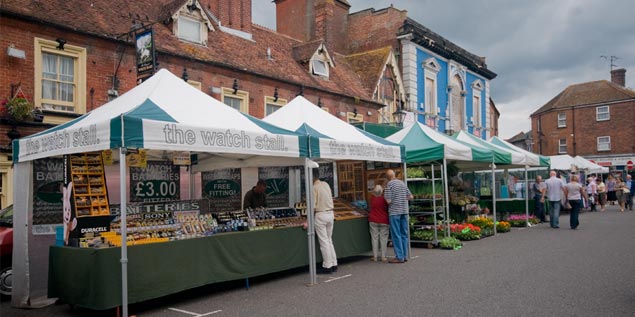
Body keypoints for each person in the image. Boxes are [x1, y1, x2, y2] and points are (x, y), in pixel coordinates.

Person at [384, 169, 413, 263]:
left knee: (396, 235)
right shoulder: (402, 183)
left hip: (394, 212)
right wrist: (402, 200)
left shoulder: (389, 185)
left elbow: (388, 201)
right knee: (404, 234)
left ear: (387, 177)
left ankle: (399, 257)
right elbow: (410, 196)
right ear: (394, 175)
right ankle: (404, 256)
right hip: (404, 211)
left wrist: (393, 200)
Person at [312, 168, 337, 274]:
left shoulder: (314, 187)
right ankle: (334, 263)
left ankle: (327, 266)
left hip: (321, 214)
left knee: (324, 242)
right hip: (330, 213)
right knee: (329, 240)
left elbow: (312, 206)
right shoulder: (326, 184)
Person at [368, 185, 389, 262]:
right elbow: (387, 208)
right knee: (383, 238)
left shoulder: (372, 199)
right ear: (382, 192)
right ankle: (383, 256)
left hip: (373, 219)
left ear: (374, 192)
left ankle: (375, 256)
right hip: (384, 220)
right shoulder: (384, 199)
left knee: (374, 238)